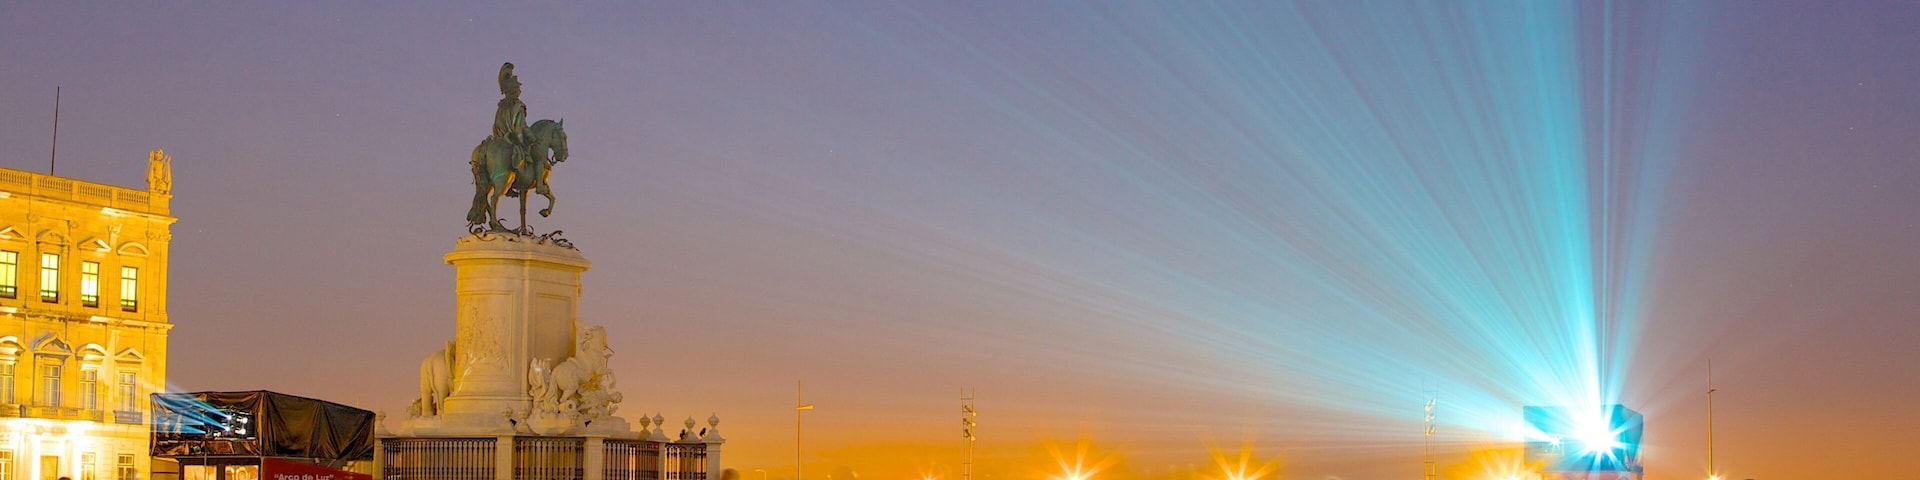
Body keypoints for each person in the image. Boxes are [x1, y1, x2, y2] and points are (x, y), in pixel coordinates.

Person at [493, 62, 531, 168]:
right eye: (518, 88)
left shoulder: (501, 107)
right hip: (513, 137)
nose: (520, 91)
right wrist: (531, 136)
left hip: (501, 136)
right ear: (514, 90)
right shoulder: (518, 106)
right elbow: (520, 125)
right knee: (531, 151)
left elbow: (496, 125)